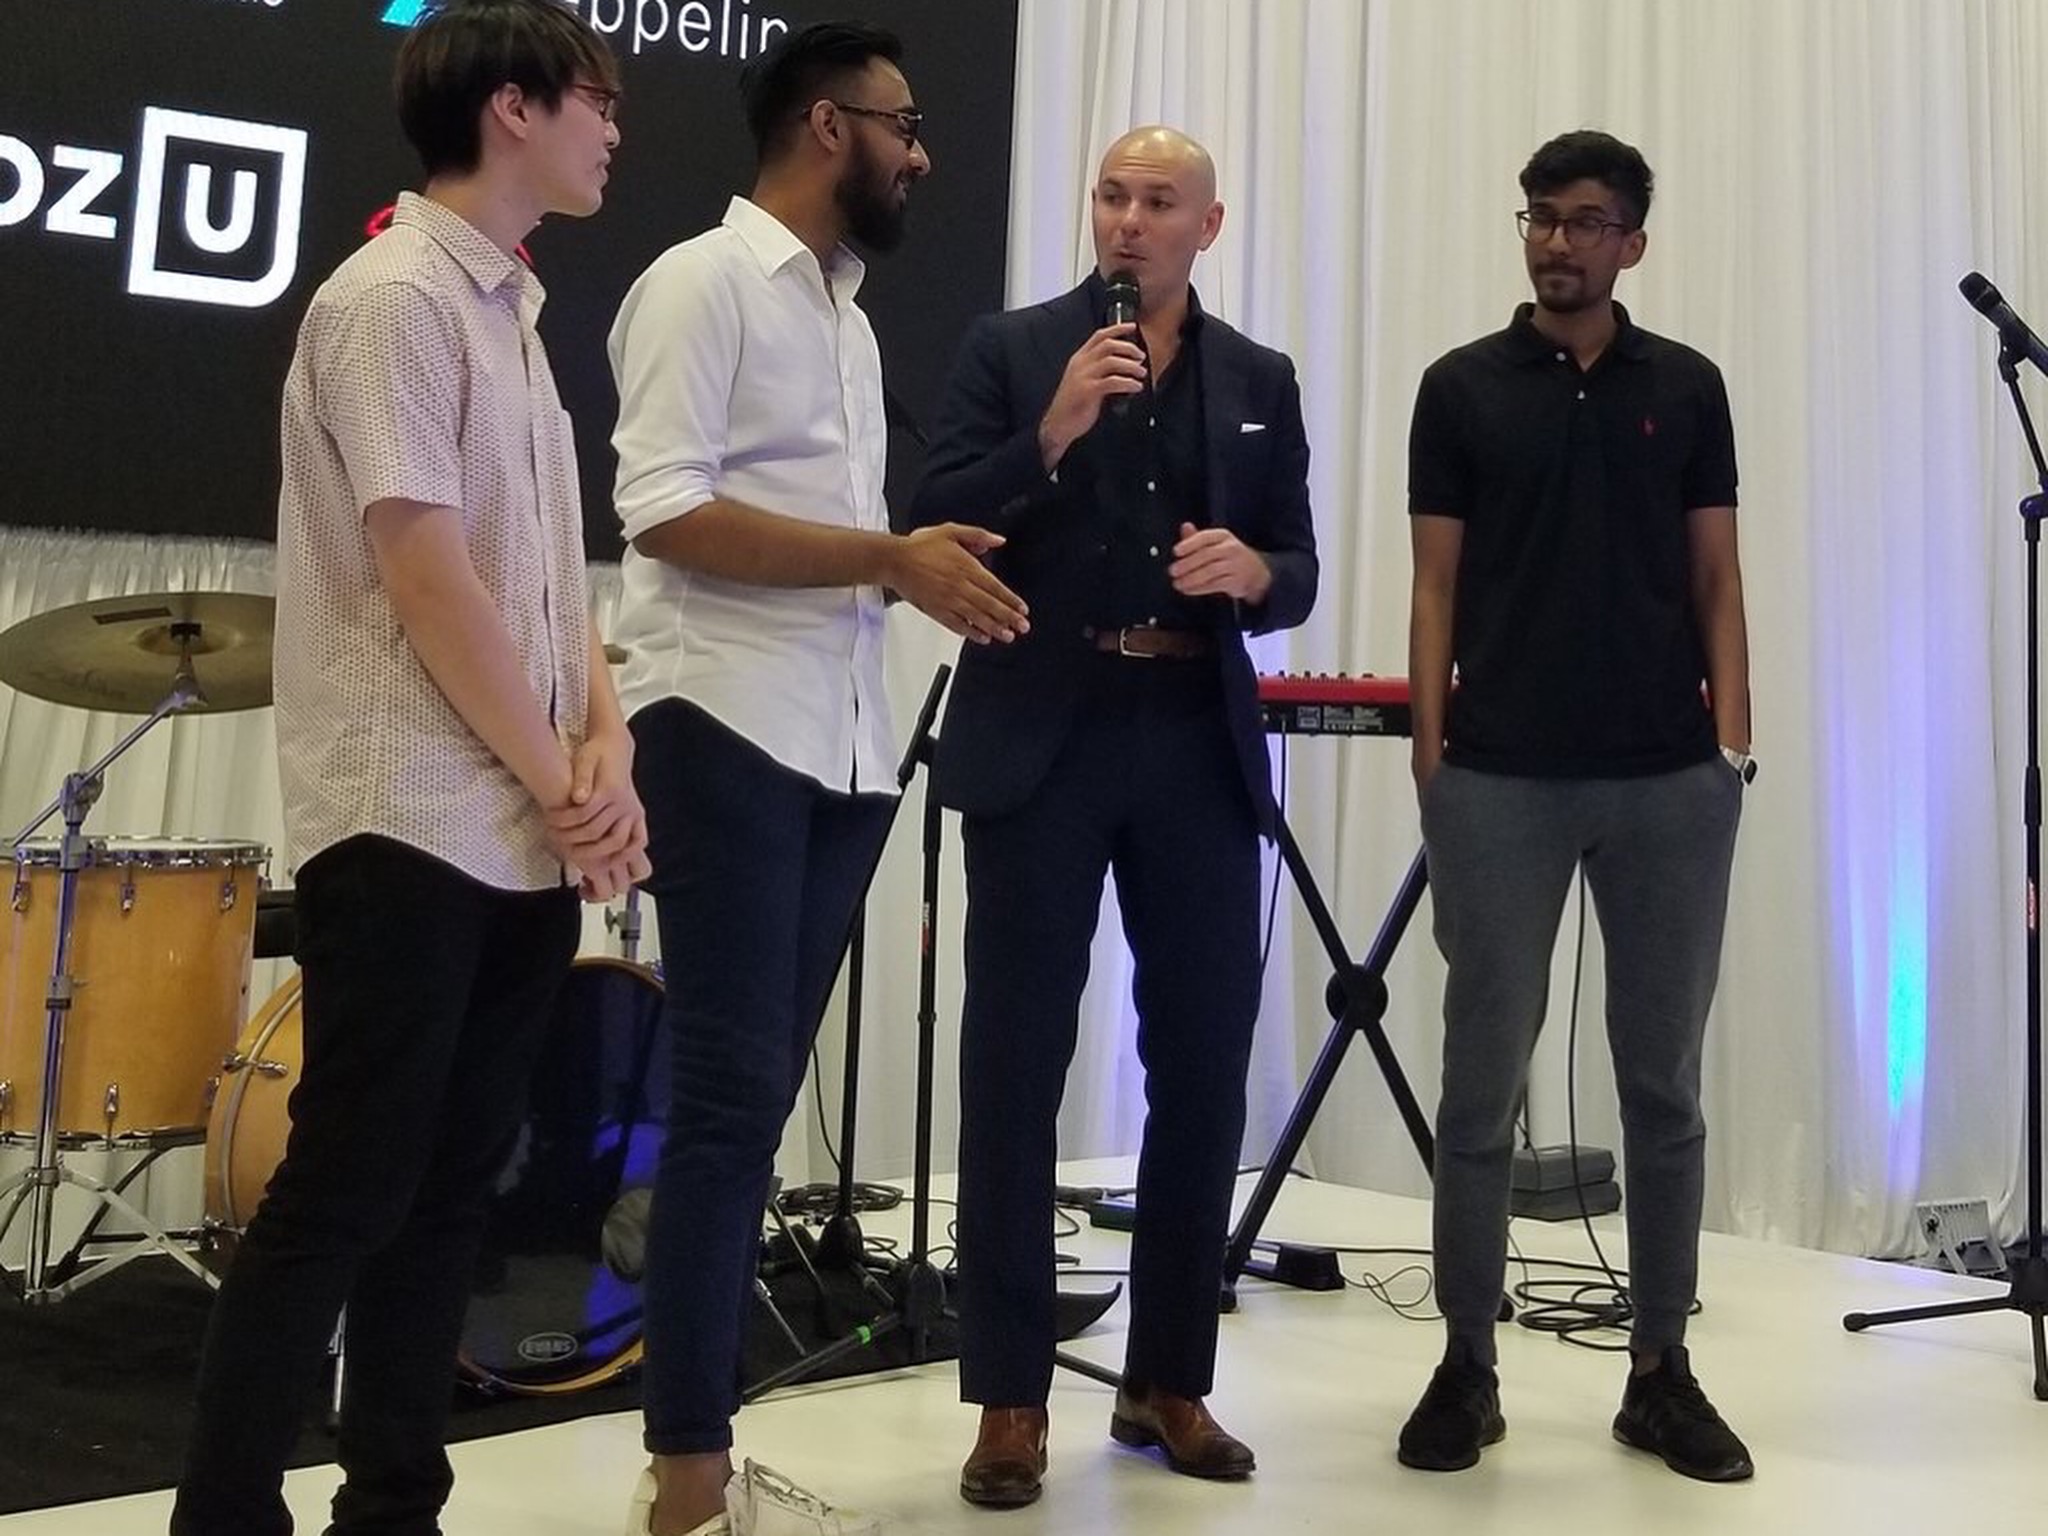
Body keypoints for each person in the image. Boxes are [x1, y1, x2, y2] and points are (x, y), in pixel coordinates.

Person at [171, 4, 648, 1533]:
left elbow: (555, 585)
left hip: (518, 825)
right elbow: (426, 571)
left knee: (454, 1190)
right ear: (511, 107)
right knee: (346, 1187)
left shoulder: (515, 315)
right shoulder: (391, 296)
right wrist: (562, 777)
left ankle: (393, 1505)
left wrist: (607, 743)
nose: (613, 129)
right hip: (406, 813)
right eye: (594, 100)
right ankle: (225, 1513)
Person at [605, 21, 1029, 1536]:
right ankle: (687, 1477)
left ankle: (698, 1455)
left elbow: (859, 552)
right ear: (825, 123)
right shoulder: (700, 283)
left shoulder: (848, 316)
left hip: (841, 740)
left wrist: (911, 563)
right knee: (729, 1103)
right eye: (902, 125)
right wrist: (889, 559)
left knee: (756, 1102)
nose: (922, 154)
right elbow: (662, 512)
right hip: (722, 722)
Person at [909, 124, 1318, 1509]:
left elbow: (1301, 567)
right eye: (1111, 196)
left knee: (1202, 1062)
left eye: (1157, 201)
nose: (1128, 220)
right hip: (1046, 727)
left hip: (1191, 735)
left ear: (1208, 225)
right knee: (1014, 1062)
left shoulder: (1259, 377)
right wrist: (1051, 432)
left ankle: (1168, 1382)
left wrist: (1253, 570)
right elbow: (933, 513)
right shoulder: (1014, 351)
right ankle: (1010, 1397)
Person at [1398, 128, 1754, 1483]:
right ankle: (1465, 1364)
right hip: (1499, 778)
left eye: (1586, 221)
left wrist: (1732, 747)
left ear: (1631, 245)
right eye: (1541, 217)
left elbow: (1717, 575)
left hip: (1669, 778)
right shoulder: (1460, 389)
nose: (1558, 241)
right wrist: (1433, 752)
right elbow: (1435, 584)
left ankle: (1659, 1369)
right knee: (1480, 1085)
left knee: (1663, 1087)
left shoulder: (1690, 387)